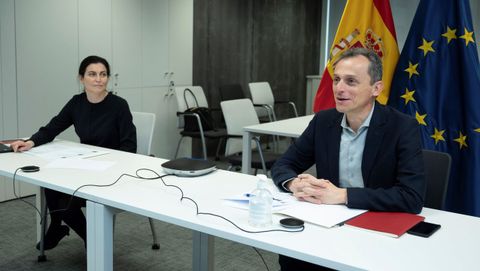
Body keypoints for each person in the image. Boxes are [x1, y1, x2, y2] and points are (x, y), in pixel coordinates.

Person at [271, 48, 425, 271]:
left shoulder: (402, 127)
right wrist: (295, 183)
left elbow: (412, 198)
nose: (339, 89)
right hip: (328, 222)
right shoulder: (324, 121)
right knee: (291, 257)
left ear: (376, 88)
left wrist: (342, 195)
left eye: (351, 81)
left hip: (375, 227)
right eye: (336, 80)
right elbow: (283, 164)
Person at [11, 55, 137, 250]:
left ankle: (83, 236)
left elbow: (129, 146)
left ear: (108, 78)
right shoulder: (77, 103)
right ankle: (70, 231)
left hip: (111, 172)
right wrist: (30, 142)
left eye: (103, 74)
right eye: (92, 74)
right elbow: (53, 127)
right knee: (50, 182)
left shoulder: (119, 105)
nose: (98, 79)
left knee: (65, 204)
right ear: (81, 78)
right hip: (85, 166)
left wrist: (111, 165)